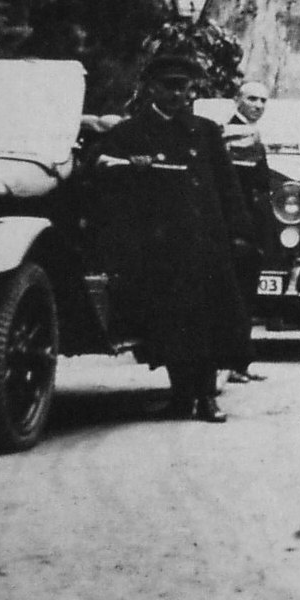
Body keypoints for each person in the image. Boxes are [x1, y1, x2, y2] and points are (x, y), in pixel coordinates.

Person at [87, 51, 254, 422]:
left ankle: (207, 399)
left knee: (209, 321)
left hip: (205, 244)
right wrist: (133, 168)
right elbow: (99, 172)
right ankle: (180, 396)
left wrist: (240, 233)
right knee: (172, 325)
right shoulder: (130, 133)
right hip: (160, 248)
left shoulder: (206, 131)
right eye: (169, 86)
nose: (177, 95)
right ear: (152, 89)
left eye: (183, 87)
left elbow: (228, 186)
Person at [222, 80, 272, 384]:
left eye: (263, 100)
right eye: (252, 99)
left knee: (244, 297)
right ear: (237, 100)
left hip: (250, 229)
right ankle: (233, 363)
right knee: (237, 298)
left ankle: (240, 362)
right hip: (238, 229)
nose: (258, 105)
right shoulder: (234, 134)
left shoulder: (250, 133)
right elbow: (237, 190)